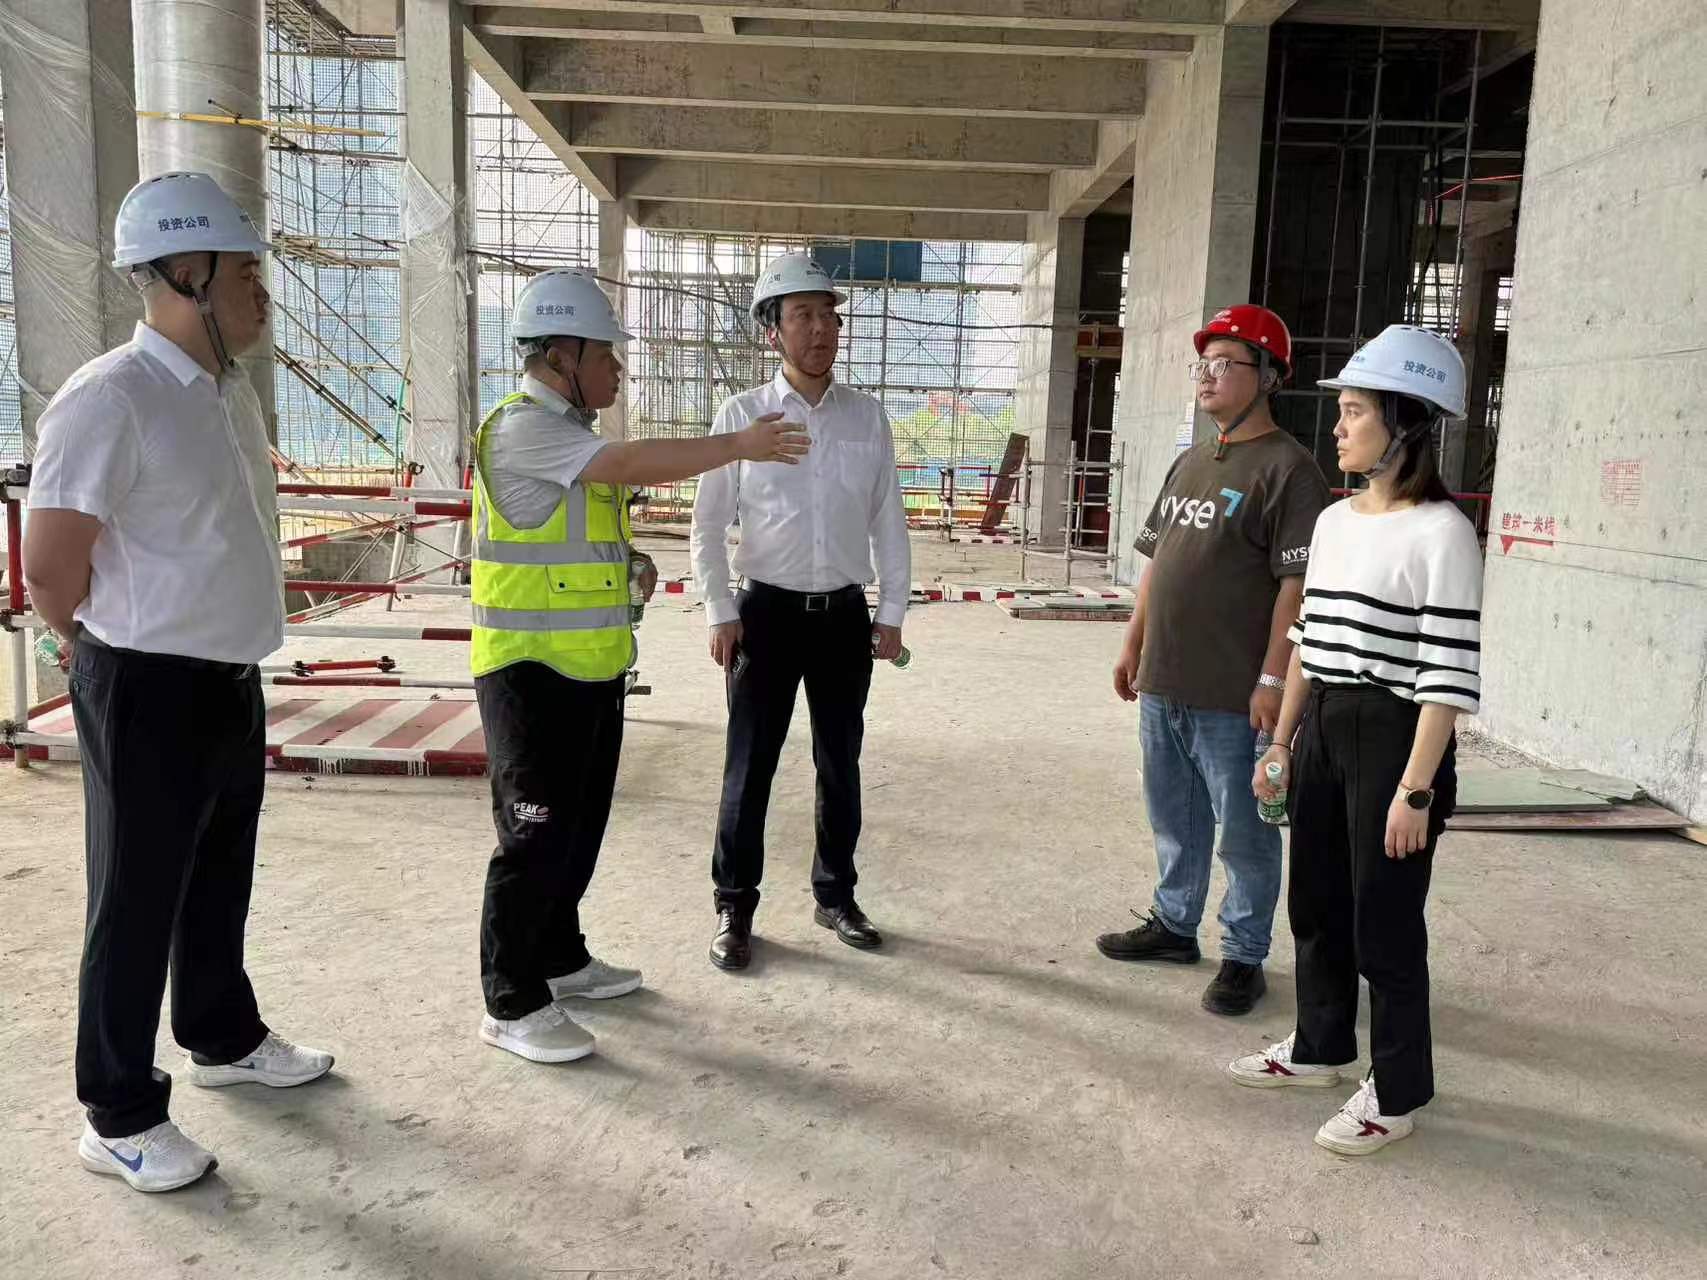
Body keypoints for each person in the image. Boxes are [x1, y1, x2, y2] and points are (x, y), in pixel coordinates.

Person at [24, 172, 333, 1194]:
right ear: (187, 272)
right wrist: (97, 652)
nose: (262, 294)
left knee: (215, 878)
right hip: (145, 684)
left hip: (227, 678)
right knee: (134, 897)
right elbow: (49, 569)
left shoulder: (224, 393)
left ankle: (221, 1033)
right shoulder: (110, 396)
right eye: (246, 272)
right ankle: (117, 1113)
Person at [472, 268, 809, 1063]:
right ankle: (511, 1000)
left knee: (577, 829)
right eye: (607, 356)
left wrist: (624, 562)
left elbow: (566, 528)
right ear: (561, 355)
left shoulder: (566, 434)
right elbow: (627, 463)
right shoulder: (521, 426)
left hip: (589, 667)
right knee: (533, 838)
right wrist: (737, 446)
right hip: (529, 668)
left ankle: (559, 958)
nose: (618, 370)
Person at [1229, 325, 1481, 1155]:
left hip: (1394, 736)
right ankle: (1319, 1046)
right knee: (1316, 901)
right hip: (1326, 725)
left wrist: (1415, 790)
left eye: (1353, 412)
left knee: (1385, 924)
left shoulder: (1441, 532)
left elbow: (1445, 676)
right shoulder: (1335, 521)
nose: (1336, 428)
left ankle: (1398, 1092)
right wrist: (1282, 743)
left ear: (1403, 423)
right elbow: (1309, 638)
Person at [1099, 305, 1331, 1016]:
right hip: (1165, 681)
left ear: (1268, 377)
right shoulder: (1191, 461)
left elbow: (1295, 587)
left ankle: (1243, 954)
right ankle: (1174, 925)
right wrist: (1132, 643)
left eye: (1224, 364)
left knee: (1245, 833)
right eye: (1202, 364)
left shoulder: (1290, 470)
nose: (1206, 376)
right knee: (1174, 816)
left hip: (1235, 695)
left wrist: (1272, 678)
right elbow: (1157, 563)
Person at [690, 252, 910, 972]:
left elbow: (888, 520)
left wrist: (891, 609)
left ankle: (836, 895)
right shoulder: (742, 416)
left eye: (828, 315)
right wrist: (719, 609)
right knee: (748, 765)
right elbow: (707, 524)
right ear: (772, 330)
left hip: (843, 617)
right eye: (802, 315)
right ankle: (734, 905)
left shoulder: (865, 417)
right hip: (765, 617)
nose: (820, 329)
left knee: (839, 762)